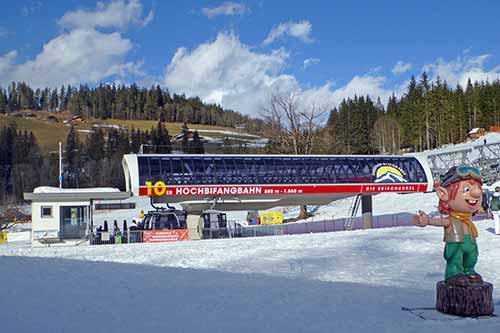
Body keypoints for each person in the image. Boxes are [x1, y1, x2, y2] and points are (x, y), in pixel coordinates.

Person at [412, 166, 483, 286]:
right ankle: (453, 273)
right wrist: (428, 221)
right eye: (466, 189)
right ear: (443, 194)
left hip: (470, 242)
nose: (476, 193)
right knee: (455, 256)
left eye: (478, 189)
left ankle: (469, 269)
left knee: (472, 255)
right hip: (455, 243)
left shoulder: (468, 220)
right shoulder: (452, 220)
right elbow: (442, 222)